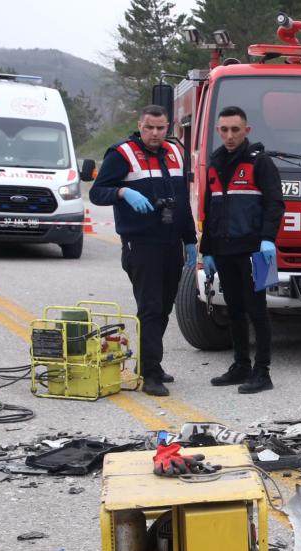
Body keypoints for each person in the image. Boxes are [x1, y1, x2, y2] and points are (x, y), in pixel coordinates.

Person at [89, 105, 197, 397]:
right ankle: (150, 374)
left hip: (170, 242)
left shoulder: (174, 152)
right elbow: (97, 192)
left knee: (163, 307)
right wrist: (123, 192)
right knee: (149, 307)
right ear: (140, 125)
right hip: (141, 244)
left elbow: (182, 200)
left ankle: (153, 363)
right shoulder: (121, 153)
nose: (154, 133)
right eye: (149, 127)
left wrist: (190, 239)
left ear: (168, 128)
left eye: (161, 128)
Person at [200, 106, 285, 394]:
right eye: (224, 129)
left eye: (235, 129)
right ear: (218, 131)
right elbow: (210, 210)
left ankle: (263, 372)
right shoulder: (214, 163)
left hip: (260, 252)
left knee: (258, 311)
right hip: (224, 250)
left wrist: (268, 239)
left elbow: (276, 204)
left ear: (246, 131)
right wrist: (207, 250)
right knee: (234, 309)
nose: (229, 135)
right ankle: (241, 366)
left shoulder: (261, 162)